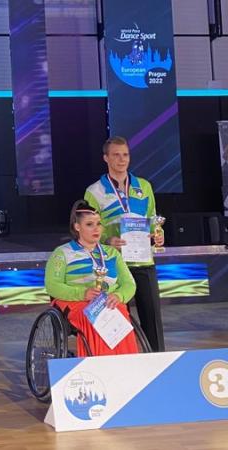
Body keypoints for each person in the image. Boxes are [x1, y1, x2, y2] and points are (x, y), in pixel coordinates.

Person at [84, 136, 165, 352]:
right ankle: (123, 364)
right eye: (116, 155)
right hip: (115, 265)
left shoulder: (144, 186)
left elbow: (153, 219)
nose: (122, 159)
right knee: (118, 320)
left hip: (143, 262)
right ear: (106, 158)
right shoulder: (95, 191)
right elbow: (88, 229)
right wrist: (107, 240)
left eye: (125, 154)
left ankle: (157, 363)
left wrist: (158, 235)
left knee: (152, 320)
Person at [45, 200, 138, 356]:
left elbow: (129, 284)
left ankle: (127, 368)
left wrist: (119, 296)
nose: (96, 229)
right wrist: (82, 293)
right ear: (77, 227)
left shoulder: (112, 253)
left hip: (107, 301)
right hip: (74, 302)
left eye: (98, 224)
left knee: (120, 312)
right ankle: (98, 370)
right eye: (89, 224)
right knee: (94, 316)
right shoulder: (62, 253)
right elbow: (52, 286)